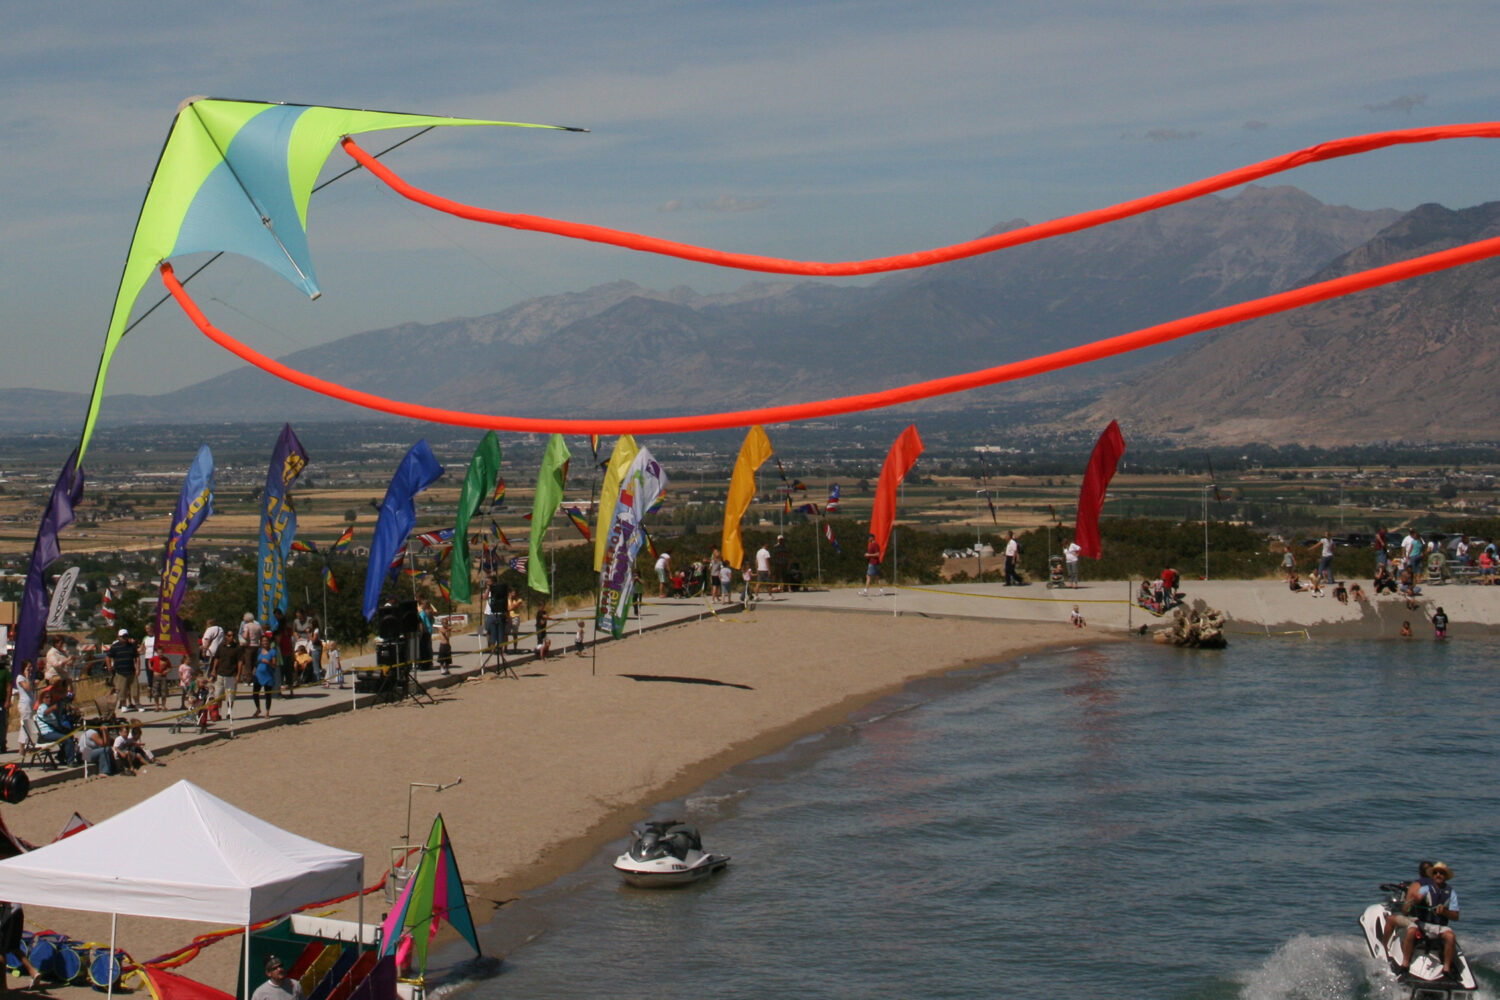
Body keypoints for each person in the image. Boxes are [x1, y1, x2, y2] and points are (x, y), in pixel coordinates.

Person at [1396, 861, 1460, 979]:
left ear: (1445, 876)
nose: (1438, 875)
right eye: (1436, 873)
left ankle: (1446, 969)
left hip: (1440, 927)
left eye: (1441, 873)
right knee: (1411, 931)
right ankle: (1405, 964)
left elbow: (1456, 916)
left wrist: (1445, 912)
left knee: (1450, 936)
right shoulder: (1425, 889)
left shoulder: (1451, 893)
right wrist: (1415, 900)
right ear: (1433, 875)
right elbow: (1418, 897)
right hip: (1423, 924)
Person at [107, 628, 138, 712]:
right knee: (121, 690)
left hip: (131, 670)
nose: (124, 638)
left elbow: (137, 657)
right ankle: (123, 705)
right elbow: (108, 656)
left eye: (126, 636)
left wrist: (137, 668)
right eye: (122, 636)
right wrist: (109, 667)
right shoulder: (115, 646)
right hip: (120, 671)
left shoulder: (131, 646)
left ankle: (136, 703)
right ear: (118, 637)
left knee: (134, 689)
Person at [212, 635, 240, 718]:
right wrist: (213, 669)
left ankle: (229, 712)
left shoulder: (237, 648)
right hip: (220, 673)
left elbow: (240, 662)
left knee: (230, 696)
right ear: (226, 637)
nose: (231, 637)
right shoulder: (221, 646)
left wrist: (238, 674)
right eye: (229, 636)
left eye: (232, 636)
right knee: (218, 695)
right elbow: (216, 658)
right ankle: (218, 713)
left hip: (231, 674)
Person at [252, 635, 277, 718]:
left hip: (268, 675)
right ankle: (258, 709)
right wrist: (254, 670)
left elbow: (274, 665)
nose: (265, 643)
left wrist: (268, 662)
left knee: (267, 694)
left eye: (266, 641)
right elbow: (256, 662)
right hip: (258, 675)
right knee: (255, 693)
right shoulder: (259, 651)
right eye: (263, 641)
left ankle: (267, 712)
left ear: (269, 642)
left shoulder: (272, 651)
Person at [484, 575, 510, 654]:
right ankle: (491, 648)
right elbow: (484, 597)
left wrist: (507, 616)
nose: (487, 583)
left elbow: (504, 602)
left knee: (500, 632)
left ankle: (501, 649)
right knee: (489, 631)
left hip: (498, 613)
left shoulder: (499, 590)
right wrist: (488, 589)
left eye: (488, 582)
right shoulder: (488, 591)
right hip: (489, 613)